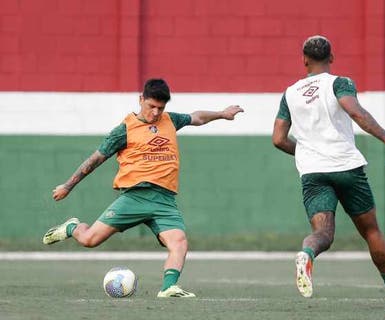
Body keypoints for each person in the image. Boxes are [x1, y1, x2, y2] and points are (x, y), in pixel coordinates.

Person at [43, 78, 244, 298]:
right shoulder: (124, 130)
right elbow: (96, 159)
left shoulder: (170, 120)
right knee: (90, 240)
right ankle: (72, 227)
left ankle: (168, 287)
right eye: (151, 106)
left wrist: (222, 114)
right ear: (141, 100)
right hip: (135, 197)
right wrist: (68, 186)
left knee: (179, 242)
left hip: (164, 200)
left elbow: (196, 117)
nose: (156, 112)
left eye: (161, 107)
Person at [272, 35, 385, 309]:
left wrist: (306, 153)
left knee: (323, 233)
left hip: (313, 172)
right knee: (371, 231)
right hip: (346, 167)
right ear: (331, 58)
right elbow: (356, 112)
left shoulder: (290, 93)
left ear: (304, 60)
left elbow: (278, 138)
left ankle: (307, 253)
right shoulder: (340, 83)